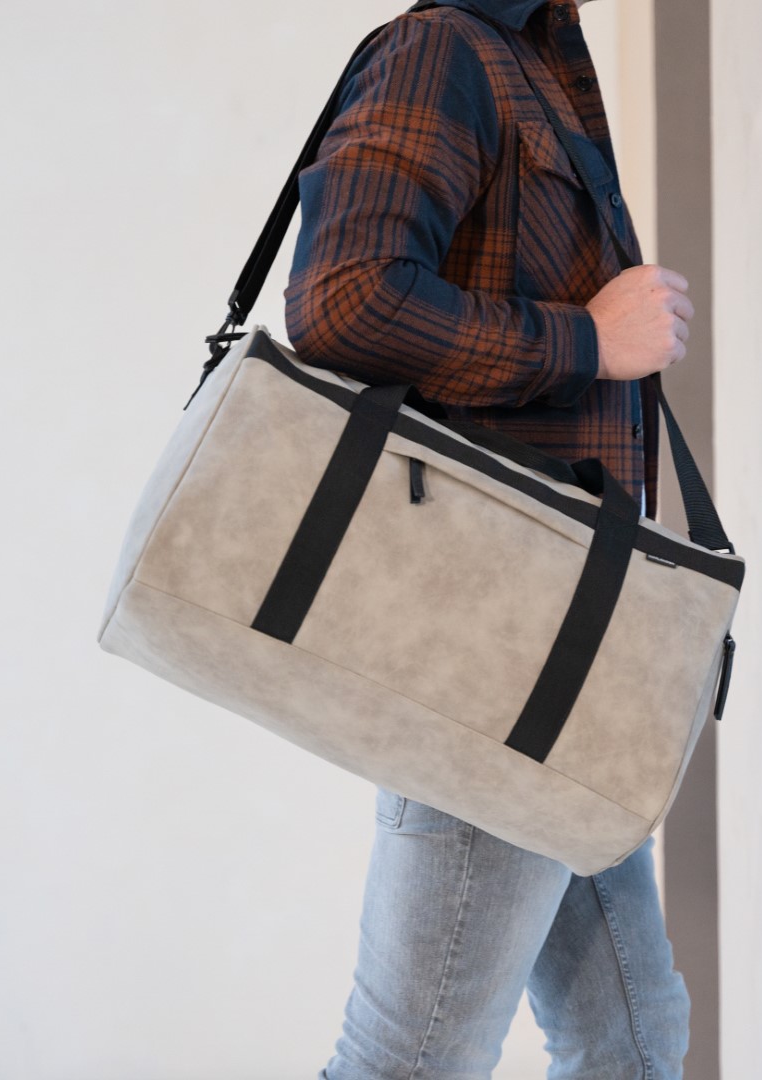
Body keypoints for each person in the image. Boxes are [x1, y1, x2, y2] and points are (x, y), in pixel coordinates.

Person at [283, 0, 696, 1075]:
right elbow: (340, 300)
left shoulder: (533, 56)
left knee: (632, 1035)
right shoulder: (443, 50)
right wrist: (587, 341)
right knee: (415, 1057)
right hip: (494, 654)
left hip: (560, 653)